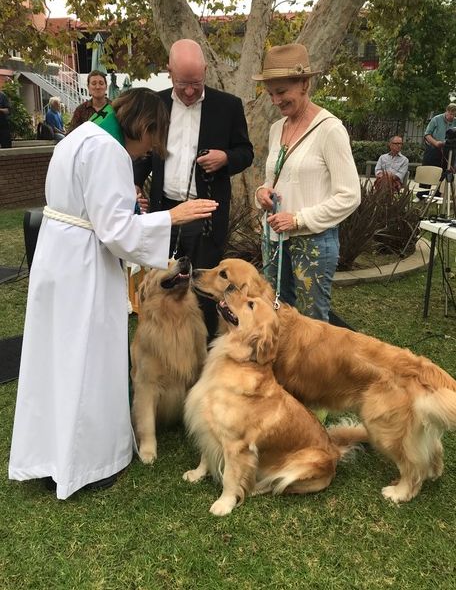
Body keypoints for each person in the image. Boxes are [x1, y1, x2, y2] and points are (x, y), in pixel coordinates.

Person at [8, 88, 218, 500]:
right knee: (86, 357)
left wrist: (129, 209)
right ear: (144, 126)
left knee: (56, 356)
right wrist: (170, 217)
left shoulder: (78, 136)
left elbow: (95, 210)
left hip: (59, 255)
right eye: (149, 144)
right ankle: (88, 462)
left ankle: (49, 452)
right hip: (84, 265)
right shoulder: (109, 151)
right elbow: (116, 232)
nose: (144, 154)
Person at [134, 39, 254, 338]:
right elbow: (143, 152)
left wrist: (225, 158)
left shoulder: (228, 106)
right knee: (162, 282)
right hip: (166, 211)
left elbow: (245, 151)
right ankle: (163, 343)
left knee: (204, 286)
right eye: (181, 83)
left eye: (196, 83)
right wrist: (135, 183)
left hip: (206, 215)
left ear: (206, 70)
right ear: (169, 72)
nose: (189, 91)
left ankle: (203, 352)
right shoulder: (156, 103)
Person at [254, 43, 361, 323]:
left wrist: (299, 219)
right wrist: (261, 193)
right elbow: (272, 180)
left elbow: (350, 196)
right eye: (270, 94)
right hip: (275, 240)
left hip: (314, 242)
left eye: (281, 92)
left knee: (313, 325)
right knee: (277, 315)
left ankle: (314, 370)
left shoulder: (330, 129)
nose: (275, 101)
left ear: (304, 83)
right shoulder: (277, 129)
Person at [422, 103, 456, 169]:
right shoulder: (436, 119)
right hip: (434, 150)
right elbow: (427, 134)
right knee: (432, 171)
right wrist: (436, 143)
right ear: (446, 111)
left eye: (454, 114)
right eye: (450, 114)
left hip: (449, 152)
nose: (451, 116)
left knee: (446, 171)